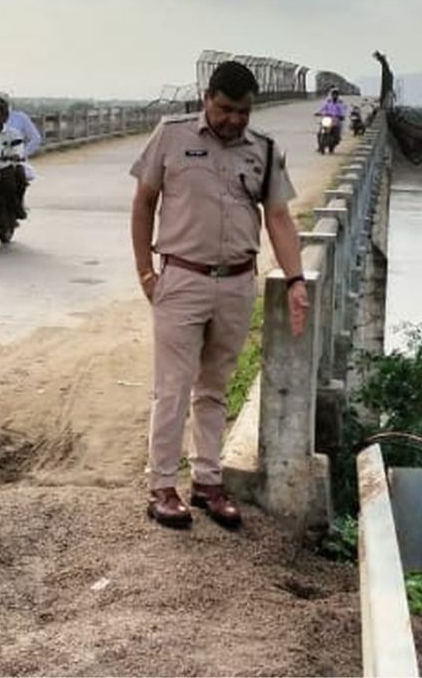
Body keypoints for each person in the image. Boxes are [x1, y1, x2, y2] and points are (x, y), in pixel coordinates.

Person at [129, 60, 308, 530]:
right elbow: (144, 201)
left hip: (236, 282)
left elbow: (279, 218)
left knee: (214, 385)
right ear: (207, 98)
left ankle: (207, 481)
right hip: (182, 279)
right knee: (172, 386)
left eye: (243, 112)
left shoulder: (264, 150)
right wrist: (147, 272)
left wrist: (295, 281)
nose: (233, 120)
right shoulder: (170, 136)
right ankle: (162, 487)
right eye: (225, 109)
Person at [0, 92, 41, 213]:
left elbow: (35, 138)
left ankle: (18, 203)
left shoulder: (20, 118)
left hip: (14, 160)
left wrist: (23, 154)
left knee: (20, 175)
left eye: (3, 104)